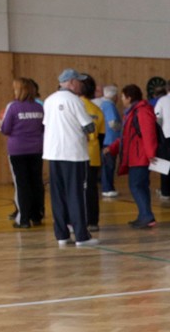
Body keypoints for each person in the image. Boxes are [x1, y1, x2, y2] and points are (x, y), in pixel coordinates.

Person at [42, 68, 97, 246]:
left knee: (57, 195)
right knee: (76, 194)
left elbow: (46, 124)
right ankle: (81, 235)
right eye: (79, 81)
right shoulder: (76, 101)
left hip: (53, 153)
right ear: (72, 82)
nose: (81, 84)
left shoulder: (48, 100)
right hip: (73, 154)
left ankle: (62, 235)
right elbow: (89, 127)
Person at [107, 84, 159, 228]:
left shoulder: (141, 112)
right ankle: (144, 215)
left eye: (123, 97)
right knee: (140, 186)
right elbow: (125, 137)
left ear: (129, 98)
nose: (121, 99)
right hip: (136, 157)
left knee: (136, 186)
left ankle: (147, 216)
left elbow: (149, 135)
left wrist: (151, 155)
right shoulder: (132, 112)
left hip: (140, 157)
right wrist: (112, 148)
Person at [0, 78, 44, 228]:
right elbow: (43, 128)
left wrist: (1, 124)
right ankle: (37, 216)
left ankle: (23, 219)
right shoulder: (39, 108)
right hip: (37, 149)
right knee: (36, 182)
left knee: (22, 184)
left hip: (18, 150)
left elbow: (5, 129)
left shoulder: (13, 107)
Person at [80, 74, 105, 231]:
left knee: (76, 189)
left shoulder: (74, 106)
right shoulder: (96, 110)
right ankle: (93, 221)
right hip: (94, 154)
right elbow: (102, 136)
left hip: (77, 154)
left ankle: (76, 220)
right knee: (91, 189)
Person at [96, 84, 122, 199]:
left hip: (106, 138)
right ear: (114, 96)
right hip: (110, 139)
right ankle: (107, 188)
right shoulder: (109, 105)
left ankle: (107, 187)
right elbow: (112, 123)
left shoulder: (103, 105)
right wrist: (121, 129)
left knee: (107, 164)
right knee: (108, 165)